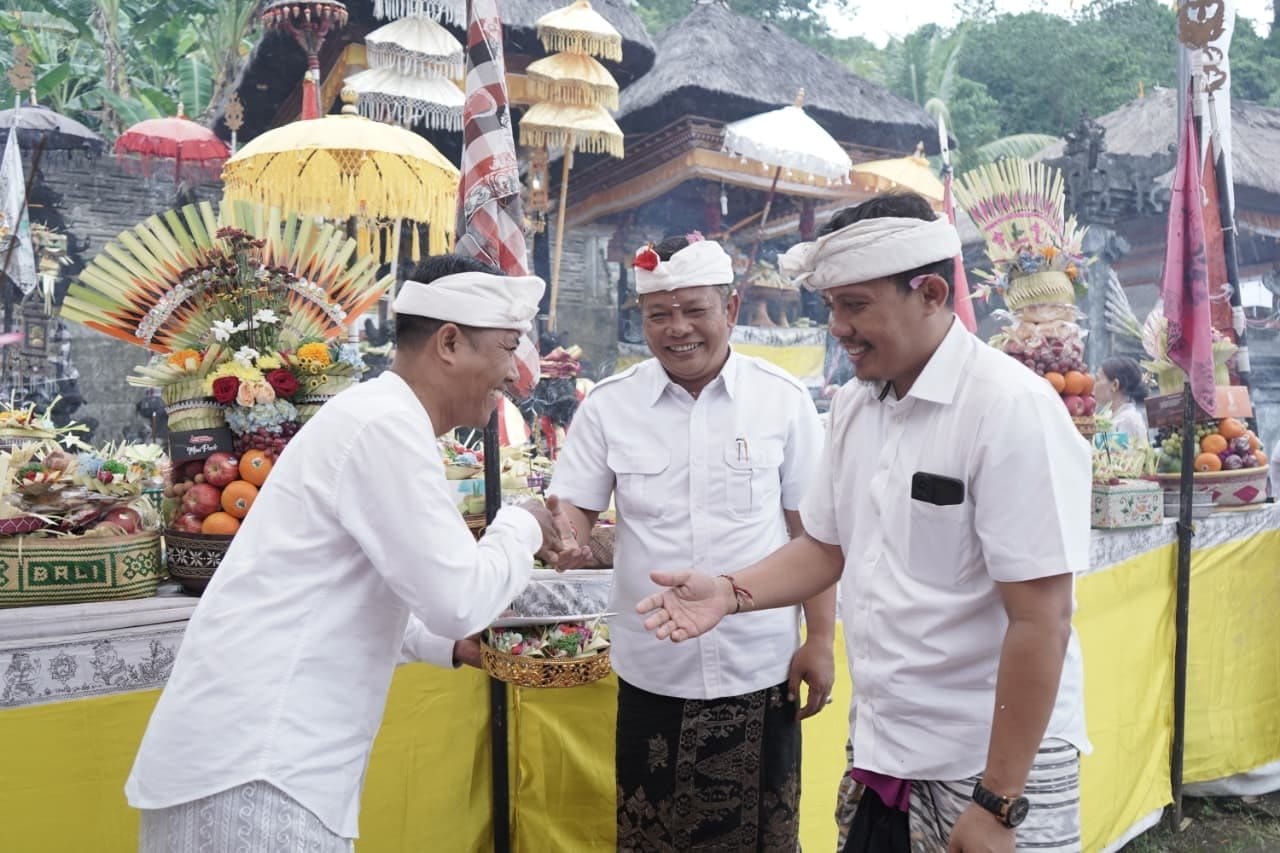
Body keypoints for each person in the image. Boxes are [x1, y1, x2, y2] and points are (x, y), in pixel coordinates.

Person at [636, 193, 1091, 853]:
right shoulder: (855, 404)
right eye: (831, 307)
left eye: (855, 306)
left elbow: (1041, 619)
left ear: (931, 292)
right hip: (887, 743)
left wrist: (996, 802)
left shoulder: (1009, 409)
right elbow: (825, 546)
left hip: (993, 762)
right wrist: (731, 590)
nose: (838, 328)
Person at [126, 255, 574, 852]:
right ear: (448, 342)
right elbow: (458, 598)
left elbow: (365, 587)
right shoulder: (382, 425)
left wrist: (449, 646)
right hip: (258, 766)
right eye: (507, 348)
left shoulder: (379, 417)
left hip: (259, 763)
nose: (516, 375)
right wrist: (525, 523)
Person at [548, 234, 836, 852]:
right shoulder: (609, 406)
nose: (677, 328)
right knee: (654, 835)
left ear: (729, 310)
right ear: (642, 319)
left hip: (760, 667)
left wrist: (821, 640)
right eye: (659, 314)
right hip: (655, 670)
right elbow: (573, 503)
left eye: (694, 310)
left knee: (764, 836)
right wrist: (567, 537)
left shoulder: (782, 402)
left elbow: (811, 535)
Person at [1095, 356, 1149, 442]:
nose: (1093, 384)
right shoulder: (1113, 416)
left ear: (1115, 385)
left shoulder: (1128, 420)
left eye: (1097, 379)